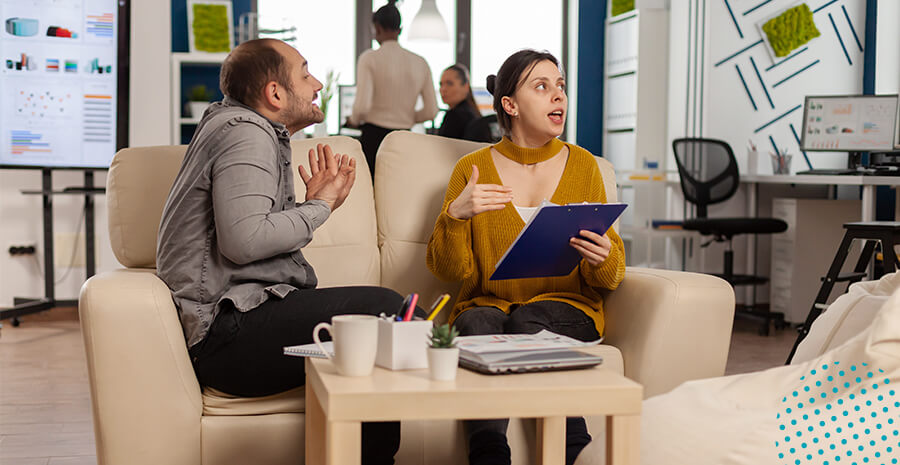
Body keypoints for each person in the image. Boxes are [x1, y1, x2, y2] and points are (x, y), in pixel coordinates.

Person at [157, 39, 409, 465]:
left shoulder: (237, 127)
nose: (316, 85)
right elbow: (245, 240)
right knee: (386, 312)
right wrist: (320, 207)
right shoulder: (247, 133)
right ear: (275, 94)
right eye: (306, 73)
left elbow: (247, 235)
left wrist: (307, 207)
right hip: (225, 334)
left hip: (235, 323)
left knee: (379, 328)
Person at [425, 49, 626, 465]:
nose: (558, 96)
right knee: (476, 320)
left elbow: (609, 279)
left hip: (566, 308)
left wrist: (603, 256)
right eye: (542, 86)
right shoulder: (471, 169)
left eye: (561, 86)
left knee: (527, 320)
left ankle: (575, 451)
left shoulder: (585, 166)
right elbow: (450, 271)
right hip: (488, 306)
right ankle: (488, 454)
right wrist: (454, 218)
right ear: (510, 105)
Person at [347, 0, 438, 179]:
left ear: (377, 28)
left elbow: (362, 107)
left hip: (373, 137)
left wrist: (353, 120)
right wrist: (407, 116)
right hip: (404, 138)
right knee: (398, 192)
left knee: (371, 193)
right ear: (400, 29)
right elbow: (431, 111)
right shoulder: (420, 62)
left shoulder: (369, 58)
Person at [438, 64, 481, 140]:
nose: (443, 89)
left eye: (449, 83)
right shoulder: (472, 112)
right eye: (441, 84)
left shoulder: (455, 115)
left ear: (466, 86)